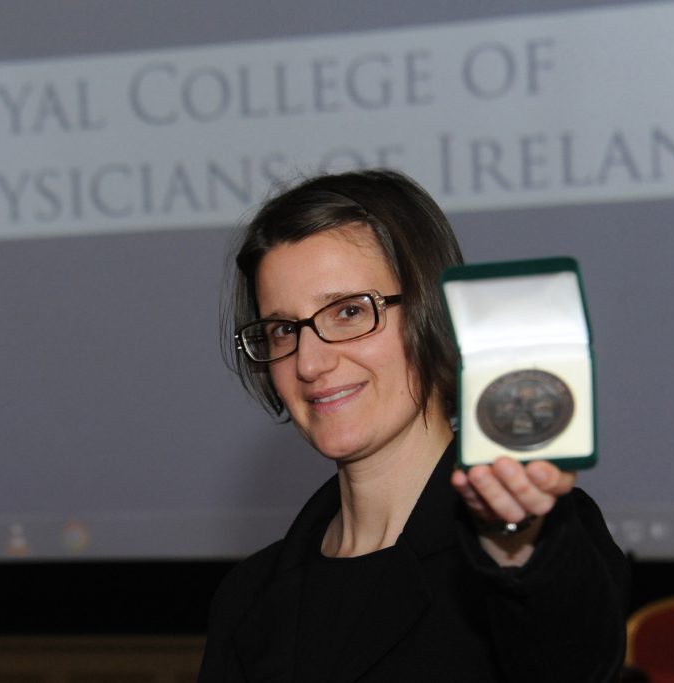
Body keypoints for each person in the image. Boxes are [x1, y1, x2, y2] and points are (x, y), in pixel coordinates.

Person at [198, 169, 630, 682]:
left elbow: (574, 660)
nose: (308, 362)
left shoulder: (528, 549)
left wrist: (514, 539)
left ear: (431, 312)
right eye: (283, 330)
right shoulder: (248, 597)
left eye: (349, 312)